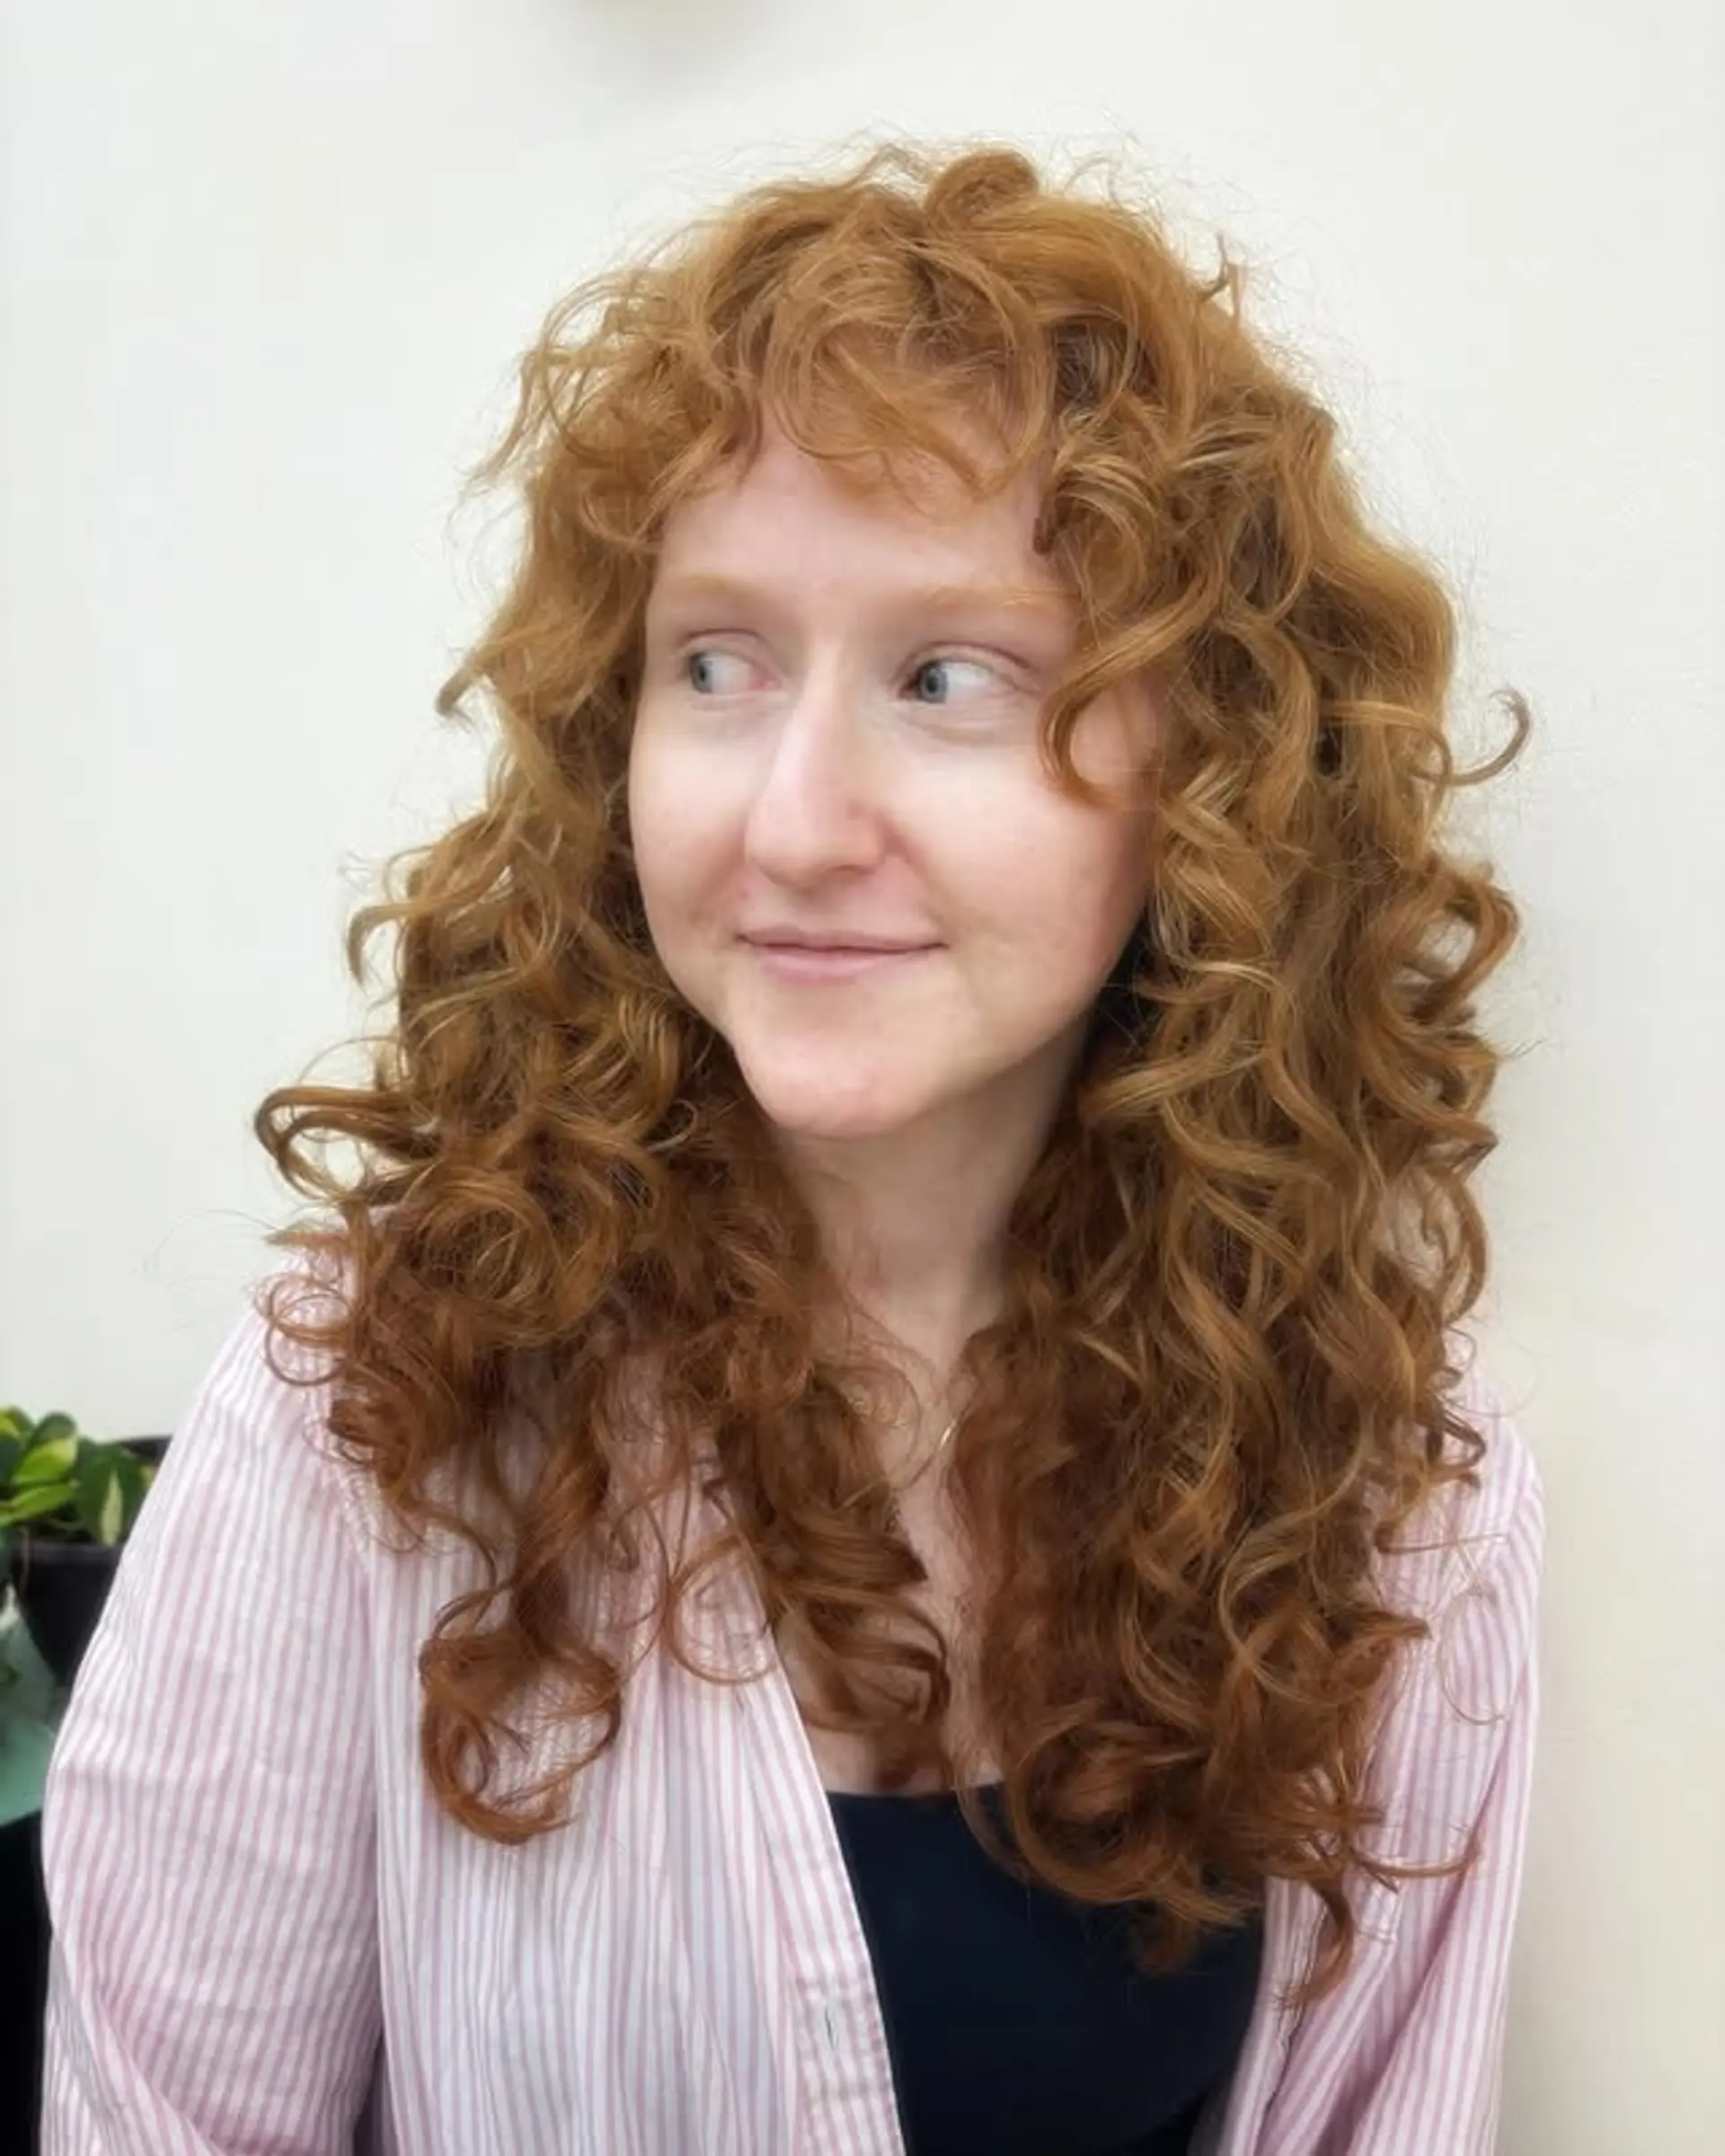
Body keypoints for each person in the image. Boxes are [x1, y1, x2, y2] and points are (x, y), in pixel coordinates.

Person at [38, 141, 1542, 2156]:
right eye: (716, 665)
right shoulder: (373, 1418)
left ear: (1212, 782)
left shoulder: (1395, 1491)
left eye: (949, 677)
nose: (797, 818)